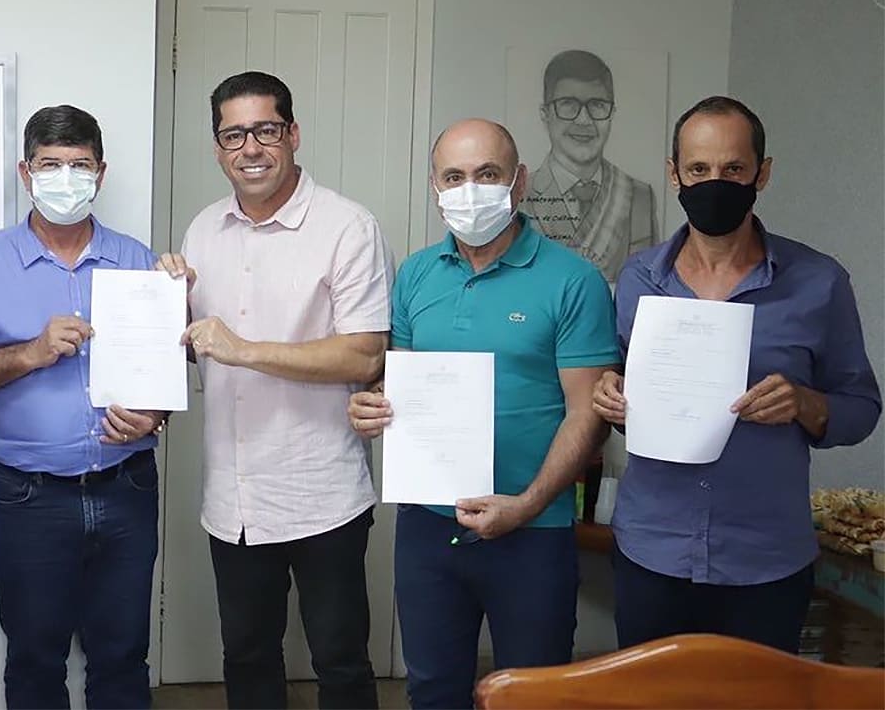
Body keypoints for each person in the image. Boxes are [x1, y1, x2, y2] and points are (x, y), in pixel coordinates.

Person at [592, 96, 881, 653]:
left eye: (733, 169)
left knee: (757, 696)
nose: (714, 183)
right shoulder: (637, 279)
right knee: (651, 695)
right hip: (653, 550)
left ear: (761, 174)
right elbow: (625, 386)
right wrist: (612, 395)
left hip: (765, 561)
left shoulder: (819, 282)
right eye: (698, 169)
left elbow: (863, 407)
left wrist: (805, 403)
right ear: (674, 174)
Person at [348, 119, 618, 710]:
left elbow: (588, 413)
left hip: (533, 529)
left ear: (519, 182)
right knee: (432, 690)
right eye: (454, 177)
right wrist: (373, 403)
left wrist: (526, 505)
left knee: (534, 696)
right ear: (435, 188)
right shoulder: (416, 274)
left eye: (487, 174)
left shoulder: (574, 281)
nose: (470, 191)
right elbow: (400, 380)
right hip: (429, 527)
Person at [156, 71, 389, 710]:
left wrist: (245, 349)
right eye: (233, 135)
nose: (250, 148)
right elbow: (194, 344)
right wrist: (161, 308)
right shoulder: (203, 230)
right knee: (247, 657)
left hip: (322, 493)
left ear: (293, 134)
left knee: (341, 662)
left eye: (265, 130)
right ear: (217, 147)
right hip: (233, 497)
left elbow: (365, 352)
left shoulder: (347, 226)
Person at [0, 105, 166, 710]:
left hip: (127, 486)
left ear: (101, 173)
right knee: (34, 660)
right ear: (26, 173)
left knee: (123, 657)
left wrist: (155, 416)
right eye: (50, 165)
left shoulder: (140, 261)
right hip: (30, 497)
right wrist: (32, 353)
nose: (65, 178)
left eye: (79, 164)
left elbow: (168, 368)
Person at [520, 49, 657, 281]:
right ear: (545, 114)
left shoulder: (639, 196)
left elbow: (643, 284)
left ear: (612, 113)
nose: (584, 119)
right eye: (568, 104)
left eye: (597, 105)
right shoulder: (520, 195)